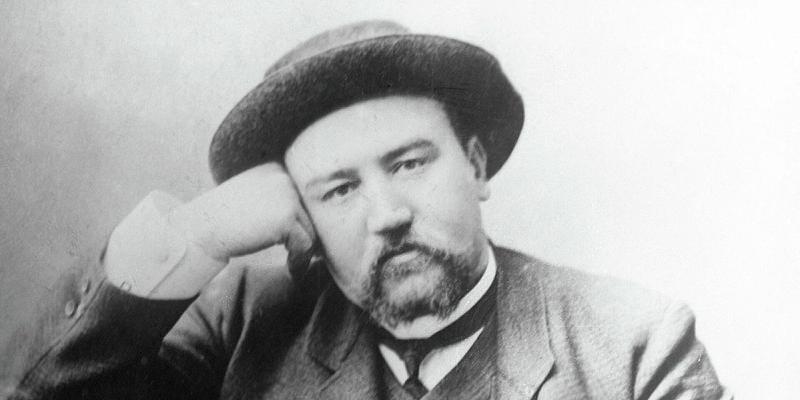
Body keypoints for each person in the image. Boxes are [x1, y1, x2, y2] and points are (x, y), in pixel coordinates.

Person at [3, 20, 730, 399]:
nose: (386, 215)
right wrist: (199, 233)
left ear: (476, 165)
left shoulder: (633, 345)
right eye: (338, 189)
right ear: (302, 219)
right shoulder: (240, 326)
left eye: (410, 163)